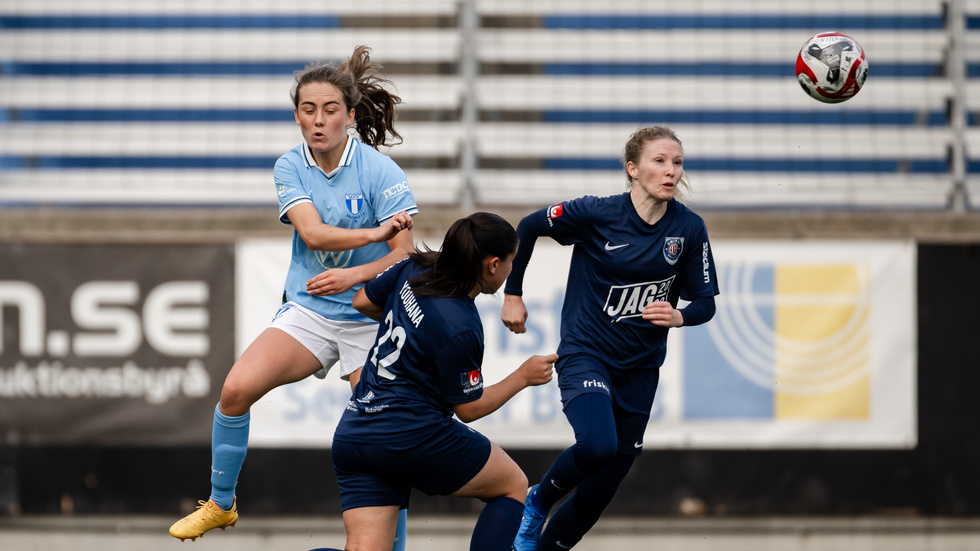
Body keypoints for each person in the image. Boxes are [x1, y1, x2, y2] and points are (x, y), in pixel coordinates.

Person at [169, 45, 417, 547]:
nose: (319, 121)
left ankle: (394, 544)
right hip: (310, 312)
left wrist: (358, 276)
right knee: (236, 390)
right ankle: (221, 503)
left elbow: (405, 255)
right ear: (297, 117)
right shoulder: (290, 166)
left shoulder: (380, 172)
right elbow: (316, 234)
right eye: (309, 110)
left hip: (369, 319)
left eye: (330, 110)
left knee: (380, 439)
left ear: (349, 115)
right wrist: (374, 235)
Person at [502, 125, 720, 551]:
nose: (671, 171)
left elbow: (706, 304)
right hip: (587, 355)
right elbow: (529, 226)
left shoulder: (689, 229)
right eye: (659, 161)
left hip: (640, 370)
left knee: (601, 490)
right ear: (632, 168)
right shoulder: (596, 213)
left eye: (677, 162)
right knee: (598, 445)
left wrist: (679, 315)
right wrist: (513, 293)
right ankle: (538, 499)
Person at [311, 212, 558, 551]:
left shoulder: (417, 267)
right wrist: (523, 377)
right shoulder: (461, 326)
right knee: (512, 484)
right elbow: (469, 408)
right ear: (492, 264)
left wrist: (413, 329)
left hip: (357, 433)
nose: (511, 271)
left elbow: (363, 301)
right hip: (410, 435)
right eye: (511, 262)